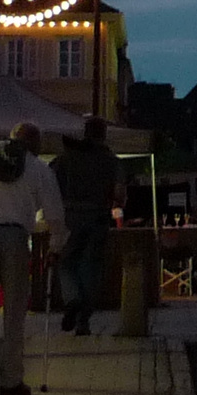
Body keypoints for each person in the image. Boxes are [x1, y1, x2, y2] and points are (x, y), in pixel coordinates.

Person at [0, 122, 67, 395]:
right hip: (14, 238)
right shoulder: (39, 168)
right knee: (14, 311)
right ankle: (11, 380)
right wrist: (55, 245)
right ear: (35, 144)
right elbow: (55, 214)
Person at [50, 116, 122, 335]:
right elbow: (119, 194)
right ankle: (84, 321)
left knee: (66, 263)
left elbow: (49, 185)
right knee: (91, 268)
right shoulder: (110, 160)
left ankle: (72, 299)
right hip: (98, 216)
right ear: (103, 134)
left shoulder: (64, 159)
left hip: (70, 216)